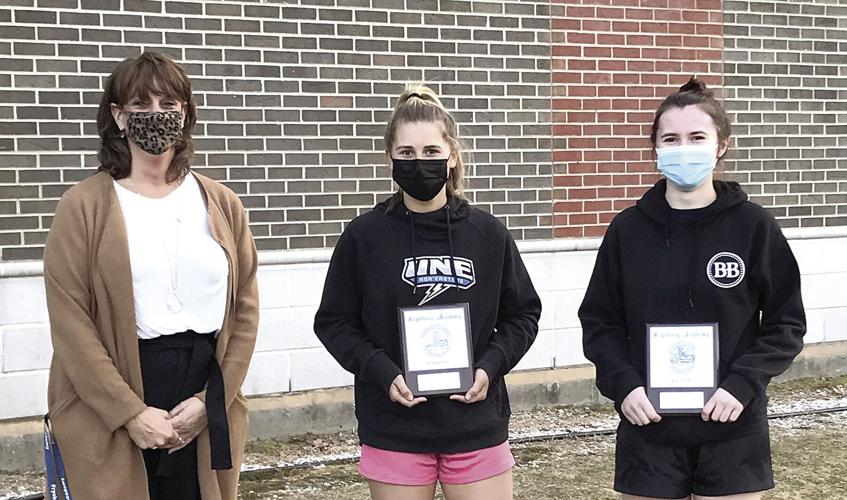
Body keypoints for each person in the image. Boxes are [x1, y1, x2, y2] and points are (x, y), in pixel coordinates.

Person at [43, 51, 259, 500]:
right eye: (140, 106)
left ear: (186, 113)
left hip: (200, 396)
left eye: (168, 105)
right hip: (116, 397)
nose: (155, 116)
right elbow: (71, 325)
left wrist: (208, 403)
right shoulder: (82, 207)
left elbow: (245, 313)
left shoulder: (221, 203)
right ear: (118, 117)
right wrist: (130, 413)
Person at [579, 77, 806, 500]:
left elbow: (786, 324)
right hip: (649, 426)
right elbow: (599, 322)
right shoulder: (627, 231)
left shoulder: (754, 227)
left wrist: (743, 383)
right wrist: (624, 385)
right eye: (671, 138)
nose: (684, 147)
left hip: (731, 426)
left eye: (697, 137)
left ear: (721, 145)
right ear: (656, 150)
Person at [314, 86, 541, 500]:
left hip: (476, 424)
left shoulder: (487, 235)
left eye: (432, 152)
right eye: (406, 154)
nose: (420, 163)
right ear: (390, 158)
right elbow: (334, 322)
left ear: (452, 154)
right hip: (394, 425)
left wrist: (490, 367)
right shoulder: (364, 237)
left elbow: (523, 315)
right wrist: (382, 372)